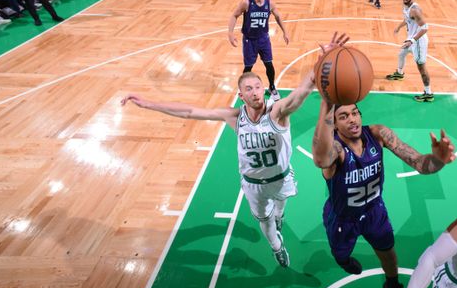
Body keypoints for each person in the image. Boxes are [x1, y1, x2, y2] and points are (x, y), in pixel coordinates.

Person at [123, 32, 350, 267]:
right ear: (241, 96)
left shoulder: (278, 112)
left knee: (280, 210)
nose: (254, 92)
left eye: (258, 87)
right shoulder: (234, 117)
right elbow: (189, 111)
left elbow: (303, 90)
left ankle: (279, 218)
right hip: (254, 185)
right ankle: (277, 247)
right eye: (249, 89)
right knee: (266, 223)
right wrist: (148, 104)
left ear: (264, 89)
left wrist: (323, 61)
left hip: (281, 177)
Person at [312, 97, 455, 288]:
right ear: (334, 124)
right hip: (343, 219)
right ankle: (344, 261)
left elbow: (419, 163)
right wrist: (326, 106)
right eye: (343, 117)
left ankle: (392, 282)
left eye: (354, 113)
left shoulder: (378, 133)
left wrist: (439, 161)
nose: (352, 119)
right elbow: (320, 159)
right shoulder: (336, 150)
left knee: (388, 253)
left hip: (374, 211)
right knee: (341, 254)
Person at [228, 0, 290, 102]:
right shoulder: (246, 3)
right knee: (248, 67)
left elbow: (278, 16)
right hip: (249, 40)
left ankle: (272, 87)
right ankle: (243, 89)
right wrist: (230, 33)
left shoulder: (269, 3)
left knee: (269, 64)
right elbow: (234, 15)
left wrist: (285, 31)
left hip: (263, 39)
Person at [385, 0, 433, 102]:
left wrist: (412, 40)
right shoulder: (406, 7)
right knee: (401, 54)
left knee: (421, 67)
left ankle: (428, 93)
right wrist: (399, 27)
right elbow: (407, 19)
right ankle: (400, 74)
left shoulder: (415, 10)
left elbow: (425, 27)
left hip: (418, 42)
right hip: (410, 40)